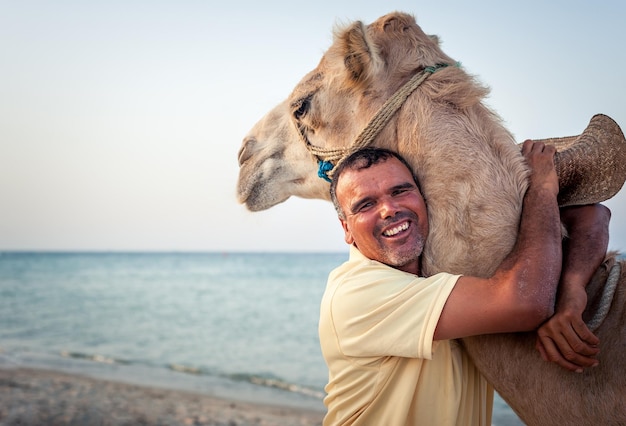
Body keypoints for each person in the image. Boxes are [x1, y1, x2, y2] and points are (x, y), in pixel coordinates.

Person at [319, 143, 610, 425]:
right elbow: (527, 301)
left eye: (400, 191)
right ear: (347, 229)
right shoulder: (356, 292)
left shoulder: (447, 267)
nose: (389, 209)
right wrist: (543, 188)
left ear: (425, 197)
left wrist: (571, 293)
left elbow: (593, 214)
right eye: (366, 204)